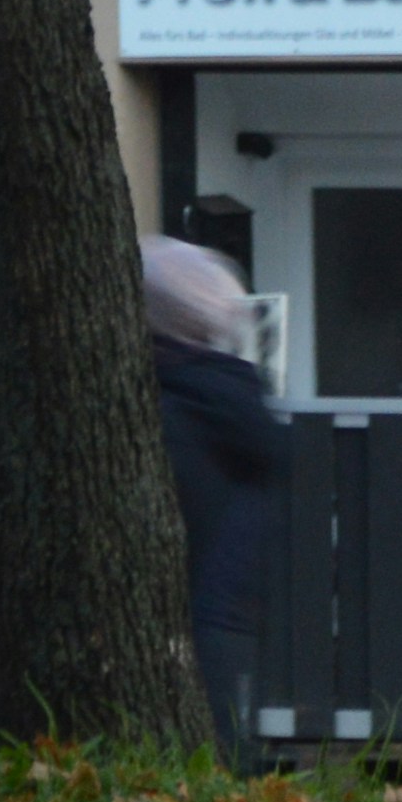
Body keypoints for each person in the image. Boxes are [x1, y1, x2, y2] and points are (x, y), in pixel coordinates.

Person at [141, 236, 281, 760]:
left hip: (201, 607)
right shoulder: (229, 393)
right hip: (227, 609)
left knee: (211, 748)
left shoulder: (171, 406)